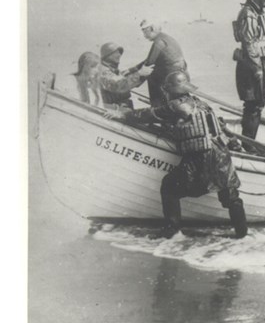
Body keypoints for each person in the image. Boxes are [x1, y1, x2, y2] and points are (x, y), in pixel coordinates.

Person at [104, 71, 247, 238]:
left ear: (170, 90)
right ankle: (242, 235)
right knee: (231, 197)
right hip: (222, 155)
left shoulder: (176, 105)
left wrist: (123, 114)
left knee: (169, 187)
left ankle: (172, 231)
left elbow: (149, 114)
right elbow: (220, 127)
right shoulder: (202, 104)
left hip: (201, 158)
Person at [232, 0, 265, 140]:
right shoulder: (248, 13)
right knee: (253, 105)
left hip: (262, 63)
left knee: (259, 104)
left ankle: (250, 141)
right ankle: (248, 143)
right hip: (251, 65)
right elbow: (248, 43)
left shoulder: (260, 14)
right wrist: (257, 68)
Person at [140, 20, 189, 107]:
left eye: (145, 32)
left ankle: (156, 106)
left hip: (171, 76)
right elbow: (148, 60)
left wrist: (132, 77)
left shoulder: (158, 42)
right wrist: (131, 69)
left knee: (150, 75)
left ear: (152, 29)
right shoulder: (166, 38)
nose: (144, 36)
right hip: (182, 73)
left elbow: (149, 64)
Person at [99, 42, 153, 109]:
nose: (119, 55)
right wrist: (139, 74)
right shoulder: (103, 70)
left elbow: (123, 76)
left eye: (119, 53)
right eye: (116, 53)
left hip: (121, 107)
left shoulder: (112, 70)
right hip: (114, 109)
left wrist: (140, 68)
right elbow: (117, 85)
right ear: (107, 55)